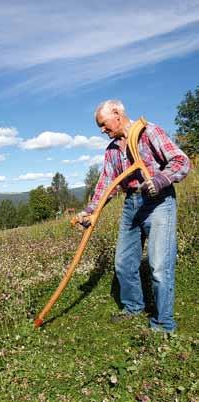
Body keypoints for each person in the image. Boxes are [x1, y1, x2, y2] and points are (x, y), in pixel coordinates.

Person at [78, 99, 190, 333]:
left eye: (103, 124)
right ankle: (133, 308)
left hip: (159, 202)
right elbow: (106, 184)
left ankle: (163, 324)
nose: (102, 130)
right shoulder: (111, 151)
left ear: (117, 114)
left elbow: (181, 161)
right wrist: (90, 210)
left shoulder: (149, 132)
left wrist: (159, 180)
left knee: (159, 266)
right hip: (131, 203)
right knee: (123, 263)